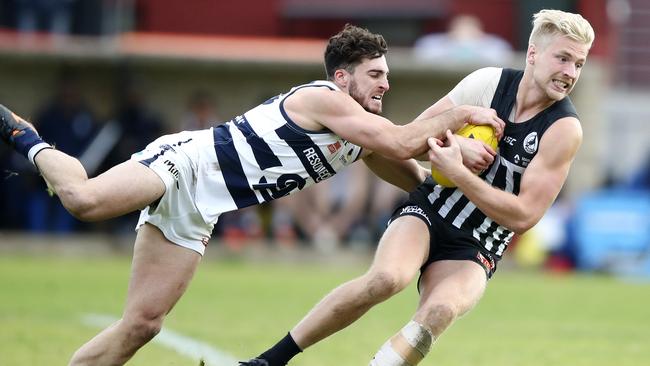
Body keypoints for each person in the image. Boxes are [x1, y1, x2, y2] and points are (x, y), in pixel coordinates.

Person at [0, 24, 503, 366]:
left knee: (143, 324)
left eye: (388, 78)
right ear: (342, 77)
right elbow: (399, 139)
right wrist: (462, 116)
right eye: (375, 75)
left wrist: (470, 203)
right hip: (185, 164)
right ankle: (21, 133)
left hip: (202, 209)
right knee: (84, 201)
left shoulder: (360, 139)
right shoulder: (324, 99)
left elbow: (415, 177)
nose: (384, 86)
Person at [242, 9, 594, 366]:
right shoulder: (488, 83)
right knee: (386, 279)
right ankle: (269, 361)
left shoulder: (564, 129)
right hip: (431, 209)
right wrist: (454, 147)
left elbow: (524, 216)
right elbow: (410, 139)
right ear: (533, 54)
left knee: (439, 311)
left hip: (480, 242)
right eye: (562, 58)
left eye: (578, 64)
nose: (569, 73)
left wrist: (458, 171)